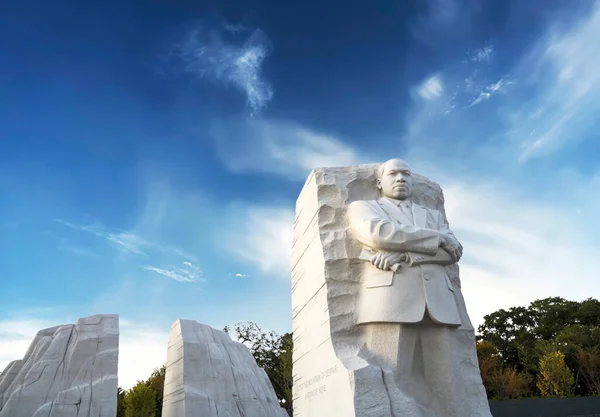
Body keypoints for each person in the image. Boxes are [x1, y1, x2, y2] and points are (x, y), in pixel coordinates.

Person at [346, 158, 466, 416]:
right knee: (391, 378)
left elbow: (452, 253)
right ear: (379, 182)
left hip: (439, 304)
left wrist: (407, 256)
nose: (401, 178)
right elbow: (378, 234)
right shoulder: (363, 207)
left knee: (446, 383)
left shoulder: (433, 216)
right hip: (390, 301)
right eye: (393, 174)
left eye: (406, 174)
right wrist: (436, 238)